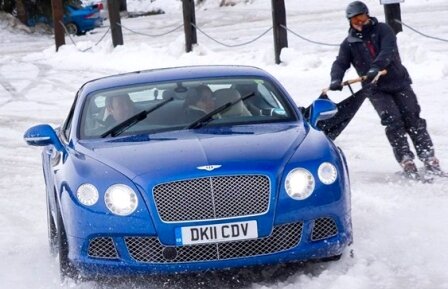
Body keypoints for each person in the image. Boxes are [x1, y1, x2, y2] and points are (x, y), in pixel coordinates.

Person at [328, 1, 442, 178]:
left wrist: (376, 66)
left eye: (361, 17)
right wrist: (336, 78)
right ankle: (406, 159)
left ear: (367, 15)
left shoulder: (383, 30)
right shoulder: (349, 43)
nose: (358, 22)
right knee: (392, 121)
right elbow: (340, 62)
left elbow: (387, 50)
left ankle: (428, 157)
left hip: (399, 82)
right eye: (353, 19)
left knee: (412, 117)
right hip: (376, 89)